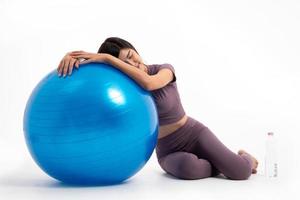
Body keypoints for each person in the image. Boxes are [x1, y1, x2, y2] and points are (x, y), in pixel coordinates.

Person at [57, 37, 258, 180]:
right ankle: (220, 163)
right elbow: (96, 81)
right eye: (124, 62)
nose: (133, 62)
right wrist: (71, 57)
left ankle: (245, 157)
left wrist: (110, 59)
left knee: (240, 173)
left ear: (135, 49)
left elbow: (150, 84)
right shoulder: (127, 86)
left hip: (193, 133)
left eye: (131, 55)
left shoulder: (164, 69)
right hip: (167, 149)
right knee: (189, 169)